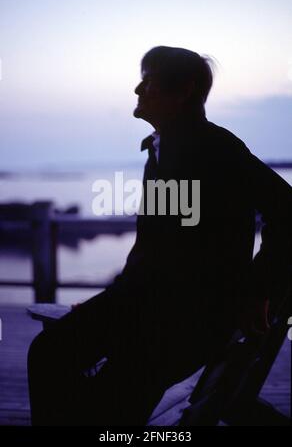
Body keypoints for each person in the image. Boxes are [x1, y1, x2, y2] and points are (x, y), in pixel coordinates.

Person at [28, 46, 292, 426]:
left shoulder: (216, 149)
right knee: (52, 353)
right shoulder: (164, 148)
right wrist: (109, 302)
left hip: (180, 323)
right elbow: (156, 252)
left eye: (148, 81)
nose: (137, 89)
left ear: (183, 91)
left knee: (65, 366)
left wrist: (256, 288)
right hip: (151, 310)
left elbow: (287, 211)